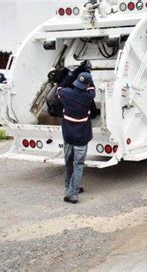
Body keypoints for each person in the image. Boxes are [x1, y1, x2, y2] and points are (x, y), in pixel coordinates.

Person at [58, 72, 96, 204]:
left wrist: (70, 75)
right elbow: (92, 88)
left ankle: (69, 187)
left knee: (68, 162)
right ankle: (72, 194)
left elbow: (59, 87)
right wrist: (89, 76)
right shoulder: (88, 96)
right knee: (78, 164)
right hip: (81, 137)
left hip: (68, 136)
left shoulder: (66, 94)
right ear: (86, 86)